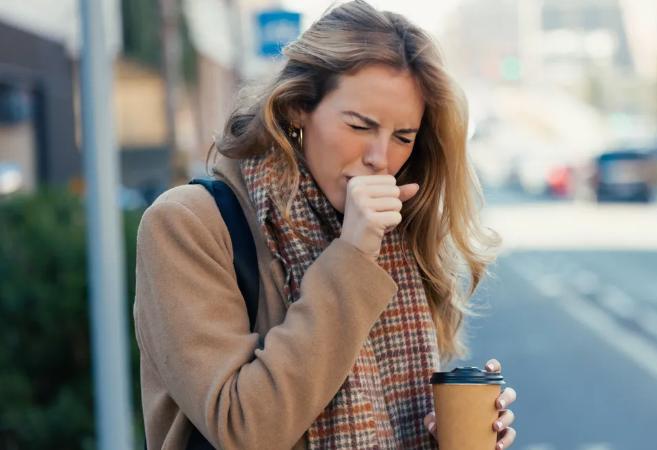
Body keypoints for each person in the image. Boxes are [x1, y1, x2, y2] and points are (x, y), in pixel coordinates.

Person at [133, 1, 517, 449]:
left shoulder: (392, 237)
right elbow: (244, 429)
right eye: (360, 125)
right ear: (298, 108)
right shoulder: (188, 224)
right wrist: (352, 256)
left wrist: (449, 434)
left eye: (403, 137)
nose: (380, 157)